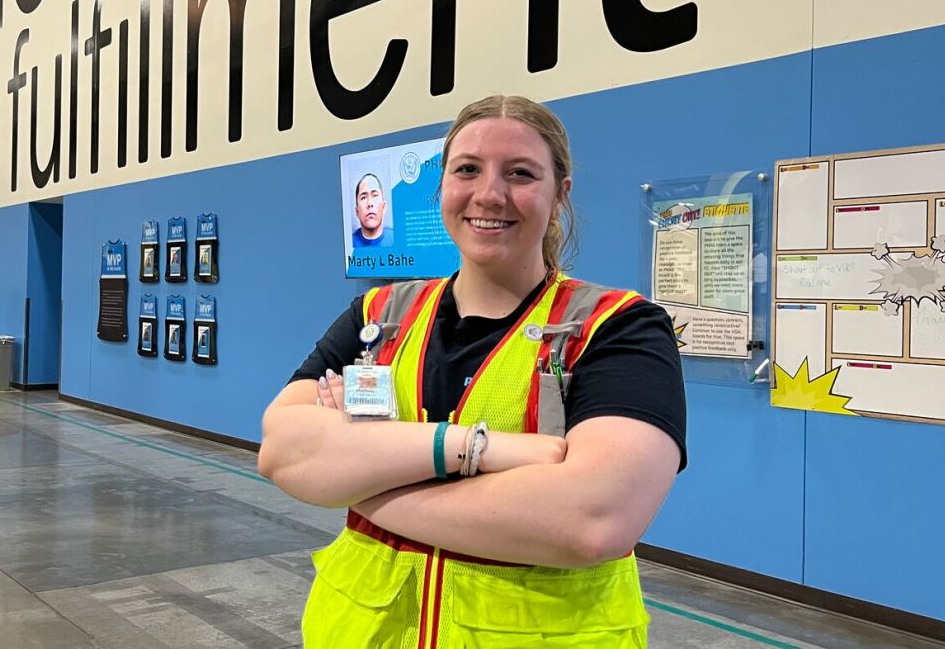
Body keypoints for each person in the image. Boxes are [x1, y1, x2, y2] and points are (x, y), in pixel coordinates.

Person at [260, 95, 687, 646]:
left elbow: (593, 521)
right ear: (442, 187)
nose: (489, 194)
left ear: (561, 195)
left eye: (520, 173)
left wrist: (364, 481)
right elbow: (280, 448)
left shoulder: (619, 329)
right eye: (468, 169)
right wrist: (475, 450)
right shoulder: (379, 316)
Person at [351, 173, 395, 247]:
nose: (370, 203)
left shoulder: (397, 239)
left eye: (375, 195)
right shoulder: (349, 243)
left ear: (384, 207)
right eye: (363, 198)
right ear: (357, 211)